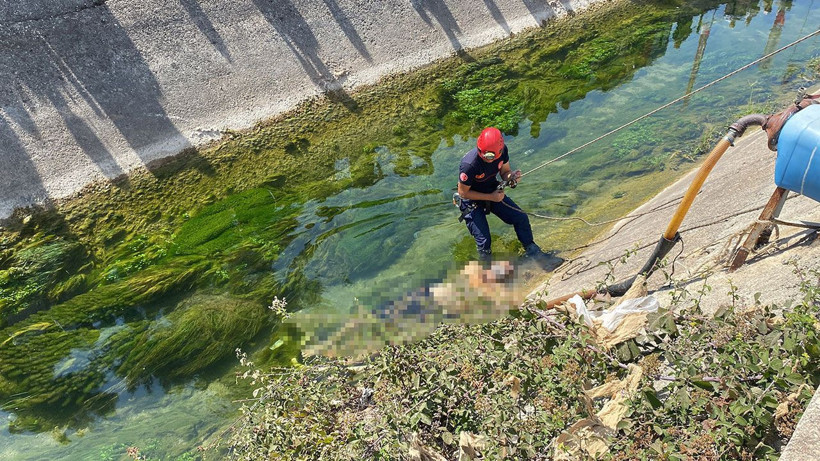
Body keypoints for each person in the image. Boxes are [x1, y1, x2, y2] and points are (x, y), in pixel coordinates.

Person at [457, 127, 562, 268]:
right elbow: (463, 193)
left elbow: (505, 172)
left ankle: (533, 252)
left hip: (492, 190)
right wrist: (491, 197)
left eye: (491, 157)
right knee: (484, 240)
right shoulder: (469, 165)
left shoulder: (503, 151)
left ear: (500, 151)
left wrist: (511, 177)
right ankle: (487, 271)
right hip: (472, 200)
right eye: (484, 155)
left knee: (520, 218)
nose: (487, 159)